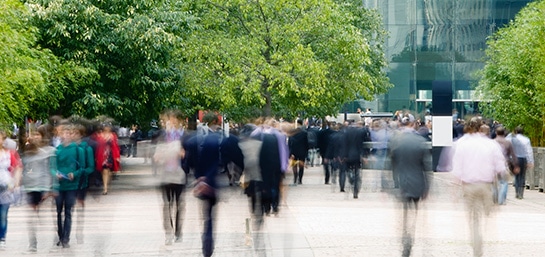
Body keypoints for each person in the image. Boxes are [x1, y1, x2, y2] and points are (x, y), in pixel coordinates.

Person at [451, 117, 506, 257]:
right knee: (487, 216)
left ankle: (476, 240)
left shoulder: (462, 144)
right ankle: (485, 237)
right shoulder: (490, 144)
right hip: (486, 186)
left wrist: (454, 190)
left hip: (468, 187)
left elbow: (457, 169)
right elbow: (500, 166)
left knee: (473, 217)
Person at [389, 115, 431, 257]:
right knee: (414, 212)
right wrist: (427, 187)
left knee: (404, 213)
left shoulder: (396, 141)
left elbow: (391, 164)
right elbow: (426, 166)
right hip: (417, 183)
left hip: (402, 183)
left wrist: (389, 183)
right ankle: (410, 234)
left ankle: (405, 239)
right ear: (413, 124)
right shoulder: (419, 141)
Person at [154, 110, 187, 245]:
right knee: (167, 205)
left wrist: (184, 154)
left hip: (179, 175)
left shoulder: (184, 136)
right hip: (165, 175)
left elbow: (191, 155)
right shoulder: (162, 136)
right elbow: (155, 154)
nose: (172, 122)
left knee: (179, 205)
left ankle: (178, 232)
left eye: (174, 119)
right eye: (170, 119)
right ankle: (168, 232)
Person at [22, 125, 56, 252]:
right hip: (31, 186)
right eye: (34, 134)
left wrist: (48, 189)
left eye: (38, 134)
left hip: (43, 187)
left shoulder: (50, 151)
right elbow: (25, 169)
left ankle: (55, 238)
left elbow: (49, 171)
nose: (35, 137)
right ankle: (33, 243)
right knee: (31, 217)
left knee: (48, 215)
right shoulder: (28, 151)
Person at [54, 124, 85, 248]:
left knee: (68, 211)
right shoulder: (57, 150)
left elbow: (82, 167)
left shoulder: (78, 150)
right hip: (59, 185)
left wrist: (75, 173)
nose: (65, 136)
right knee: (58, 212)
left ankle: (66, 238)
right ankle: (61, 235)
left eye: (68, 133)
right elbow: (52, 167)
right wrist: (55, 174)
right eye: (63, 133)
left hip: (71, 185)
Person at [73, 122, 95, 244]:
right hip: (68, 183)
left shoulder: (87, 149)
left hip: (82, 182)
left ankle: (79, 231)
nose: (73, 135)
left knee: (80, 207)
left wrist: (82, 172)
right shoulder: (66, 148)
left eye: (76, 133)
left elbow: (91, 167)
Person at [0, 130, 22, 249]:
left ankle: (2, 238)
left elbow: (18, 167)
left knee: (3, 214)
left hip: (5, 186)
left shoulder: (9, 154)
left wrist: (15, 183)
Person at [341, 121, 370, 198]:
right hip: (357, 156)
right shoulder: (360, 133)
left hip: (348, 156)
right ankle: (356, 190)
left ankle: (351, 179)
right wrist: (364, 156)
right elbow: (361, 145)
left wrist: (343, 156)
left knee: (348, 171)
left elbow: (344, 145)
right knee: (357, 172)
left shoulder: (346, 133)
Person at [92, 122, 121, 195]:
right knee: (103, 171)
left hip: (110, 155)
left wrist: (117, 156)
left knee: (106, 170)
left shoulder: (113, 135)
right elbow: (97, 146)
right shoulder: (100, 135)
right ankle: (106, 186)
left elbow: (115, 146)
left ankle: (105, 188)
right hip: (101, 155)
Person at [493, 126, 519, 205]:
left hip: (494, 165)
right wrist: (516, 165)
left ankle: (495, 199)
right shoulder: (508, 143)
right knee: (504, 182)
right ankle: (501, 200)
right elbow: (513, 155)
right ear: (504, 133)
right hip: (505, 165)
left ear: (496, 133)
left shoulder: (492, 142)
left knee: (494, 183)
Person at [509, 126, 534, 199]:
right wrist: (530, 161)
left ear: (516, 132)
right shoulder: (526, 140)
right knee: (522, 175)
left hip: (515, 159)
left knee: (516, 175)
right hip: (523, 158)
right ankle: (521, 193)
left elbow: (511, 150)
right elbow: (529, 151)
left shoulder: (512, 139)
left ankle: (517, 192)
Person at [288, 119, 308, 185]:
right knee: (301, 165)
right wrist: (306, 151)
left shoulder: (292, 133)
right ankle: (300, 179)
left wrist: (290, 153)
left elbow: (289, 143)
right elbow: (306, 143)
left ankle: (295, 178)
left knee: (294, 165)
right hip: (302, 151)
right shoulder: (304, 133)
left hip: (294, 151)